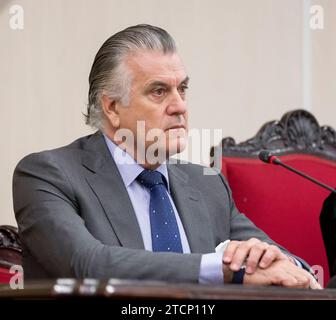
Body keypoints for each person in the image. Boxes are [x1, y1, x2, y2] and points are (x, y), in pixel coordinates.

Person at [13, 24, 320, 288]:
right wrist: (224, 269)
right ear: (112, 107)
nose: (179, 106)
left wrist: (280, 264)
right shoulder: (46, 174)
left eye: (182, 89)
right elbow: (88, 265)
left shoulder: (208, 185)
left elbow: (287, 262)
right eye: (158, 91)